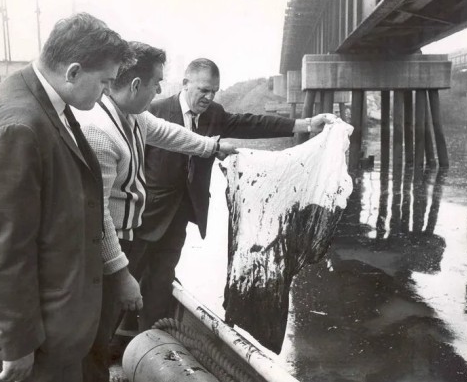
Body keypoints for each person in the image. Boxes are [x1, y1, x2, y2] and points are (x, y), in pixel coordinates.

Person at [0, 13, 133, 382]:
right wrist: (15, 344)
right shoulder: (19, 126)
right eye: (104, 82)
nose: (105, 92)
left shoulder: (44, 105)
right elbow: (0, 247)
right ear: (72, 72)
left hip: (53, 326)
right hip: (31, 344)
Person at [133, 58, 337, 331]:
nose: (209, 97)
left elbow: (253, 124)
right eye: (203, 90)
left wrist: (306, 124)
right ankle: (113, 341)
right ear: (185, 83)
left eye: (214, 91)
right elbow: (133, 164)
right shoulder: (154, 111)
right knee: (127, 278)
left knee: (160, 279)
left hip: (181, 214)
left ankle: (147, 339)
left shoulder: (214, 114)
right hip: (144, 215)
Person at [75, 42, 237, 382]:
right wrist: (121, 274)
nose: (162, 89)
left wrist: (213, 146)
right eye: (157, 83)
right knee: (95, 335)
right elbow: (98, 215)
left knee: (105, 326)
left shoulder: (131, 115)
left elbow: (168, 134)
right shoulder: (99, 131)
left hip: (127, 236)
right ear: (136, 86)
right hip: (108, 245)